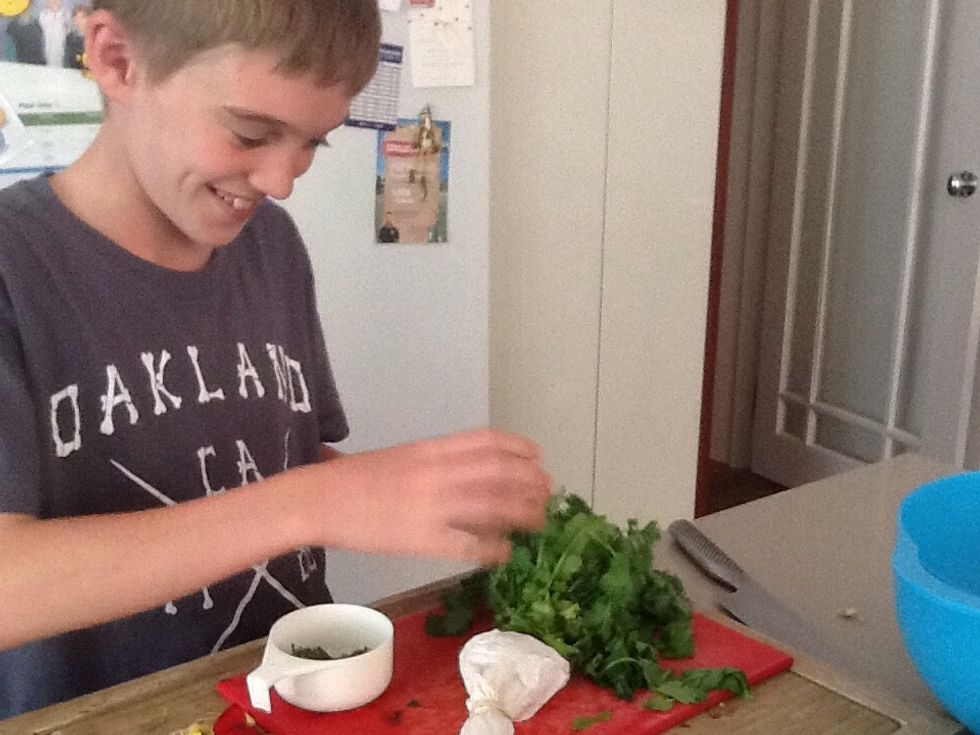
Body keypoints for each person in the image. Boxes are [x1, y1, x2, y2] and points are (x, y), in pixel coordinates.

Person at [0, 0, 551, 718]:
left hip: (293, 700)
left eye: (312, 144)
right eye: (250, 133)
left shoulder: (271, 247)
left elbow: (283, 458)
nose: (282, 180)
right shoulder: (17, 271)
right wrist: (313, 502)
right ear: (116, 60)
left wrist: (413, 495)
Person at [37, 0, 66, 67]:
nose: (55, 1)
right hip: (44, 55)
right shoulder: (42, 15)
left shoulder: (66, 15)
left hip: (61, 56)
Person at [63, 4, 89, 69]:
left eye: (82, 17)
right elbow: (66, 61)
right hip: (73, 75)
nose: (79, 21)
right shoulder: (69, 37)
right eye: (76, 18)